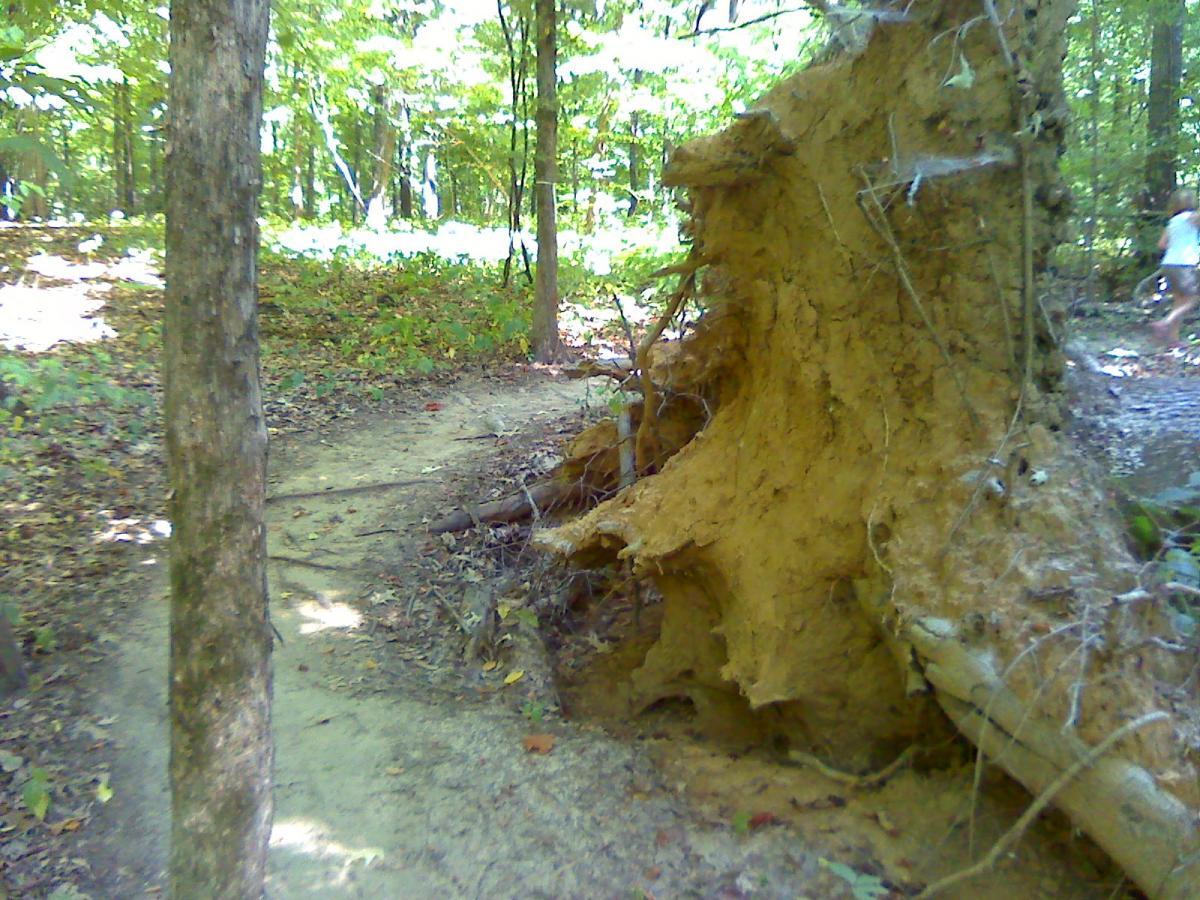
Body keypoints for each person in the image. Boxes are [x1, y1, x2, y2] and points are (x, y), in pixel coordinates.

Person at [1149, 188, 1200, 347]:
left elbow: (1161, 244)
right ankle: (1165, 322)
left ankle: (1173, 339)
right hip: (1184, 264)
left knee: (1179, 301)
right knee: (1194, 299)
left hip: (1168, 263)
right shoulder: (1192, 218)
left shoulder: (1173, 221)